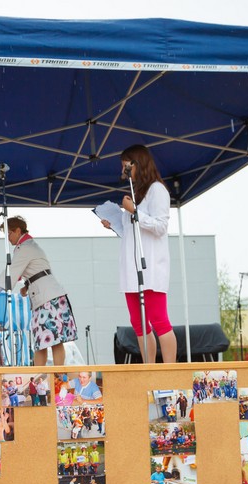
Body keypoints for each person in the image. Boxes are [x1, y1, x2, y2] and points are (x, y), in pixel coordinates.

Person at [100, 144, 175, 364]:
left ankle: (171, 372)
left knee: (159, 320)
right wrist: (115, 224)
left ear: (137, 164)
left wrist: (134, 211)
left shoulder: (157, 190)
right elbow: (132, 232)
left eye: (126, 166)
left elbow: (160, 226)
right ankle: (149, 369)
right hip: (131, 270)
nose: (123, 171)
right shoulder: (136, 196)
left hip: (150, 267)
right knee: (139, 323)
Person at [0, 215, 77, 366]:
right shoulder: (30, 246)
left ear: (18, 230)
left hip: (47, 298)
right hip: (50, 296)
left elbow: (11, 272)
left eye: (9, 233)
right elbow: (38, 271)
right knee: (48, 341)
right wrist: (27, 286)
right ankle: (50, 375)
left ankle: (46, 375)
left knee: (48, 341)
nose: (8, 238)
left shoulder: (25, 247)